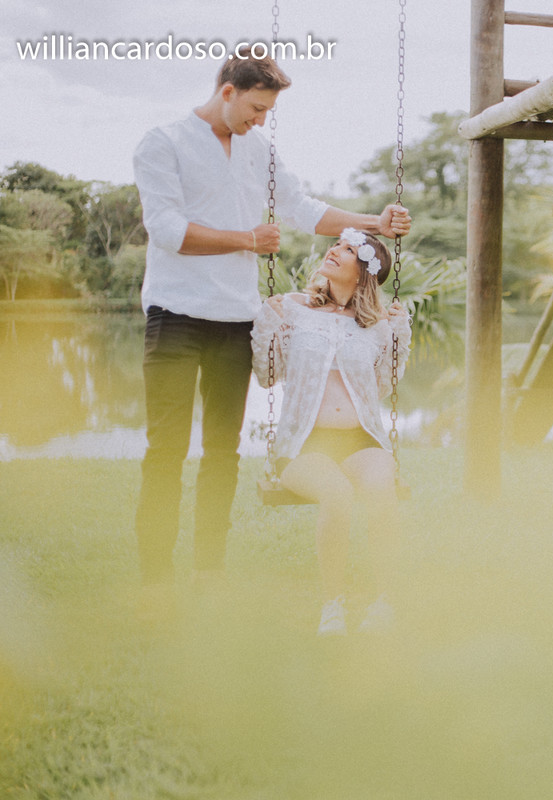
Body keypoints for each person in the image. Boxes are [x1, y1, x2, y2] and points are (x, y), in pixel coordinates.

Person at [132, 47, 411, 615]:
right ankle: (155, 577)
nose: (260, 121)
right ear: (227, 90)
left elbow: (303, 208)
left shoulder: (258, 148)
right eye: (255, 109)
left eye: (267, 112)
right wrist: (246, 240)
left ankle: (209, 569)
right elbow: (164, 230)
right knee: (165, 449)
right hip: (176, 316)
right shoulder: (163, 143)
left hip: (236, 319)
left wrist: (370, 223)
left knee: (222, 452)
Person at [252, 228, 410, 635]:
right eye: (336, 244)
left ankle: (385, 602)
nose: (334, 250)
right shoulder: (293, 309)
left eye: (348, 249)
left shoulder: (374, 326)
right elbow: (268, 377)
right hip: (305, 443)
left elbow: (383, 387)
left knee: (380, 488)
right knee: (337, 493)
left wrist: (397, 333)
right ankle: (333, 606)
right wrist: (269, 321)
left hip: (360, 440)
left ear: (364, 274)